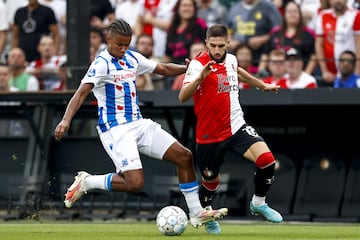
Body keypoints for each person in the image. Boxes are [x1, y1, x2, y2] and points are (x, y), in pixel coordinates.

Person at [53, 19, 228, 228]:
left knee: (184, 156)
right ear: (108, 39)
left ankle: (197, 212)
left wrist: (187, 69)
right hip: (116, 129)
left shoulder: (132, 57)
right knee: (135, 184)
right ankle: (88, 182)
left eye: (127, 44)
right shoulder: (101, 64)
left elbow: (161, 68)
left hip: (138, 124)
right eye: (119, 45)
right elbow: (81, 93)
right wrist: (65, 119)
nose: (123, 49)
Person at [178, 24, 283, 234]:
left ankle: (259, 203)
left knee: (267, 161)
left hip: (236, 127)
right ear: (207, 43)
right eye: (213, 45)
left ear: (228, 43)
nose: (217, 50)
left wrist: (262, 85)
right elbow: (182, 97)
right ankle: (207, 214)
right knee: (211, 179)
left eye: (221, 45)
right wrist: (199, 79)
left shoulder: (232, 59)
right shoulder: (198, 65)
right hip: (209, 135)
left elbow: (238, 72)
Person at [258, 1, 317, 77]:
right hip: (276, 77)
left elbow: (314, 56)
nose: (292, 14)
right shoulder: (275, 32)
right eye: (289, 12)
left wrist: (306, 75)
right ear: (284, 14)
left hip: (299, 77)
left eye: (295, 11)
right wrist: (260, 72)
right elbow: (265, 53)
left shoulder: (309, 34)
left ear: (300, 14)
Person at [315, 0, 360, 86]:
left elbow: (359, 43)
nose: (338, 1)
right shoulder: (323, 15)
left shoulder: (356, 15)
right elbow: (318, 44)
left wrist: (357, 70)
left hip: (350, 72)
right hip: (329, 72)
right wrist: (324, 71)